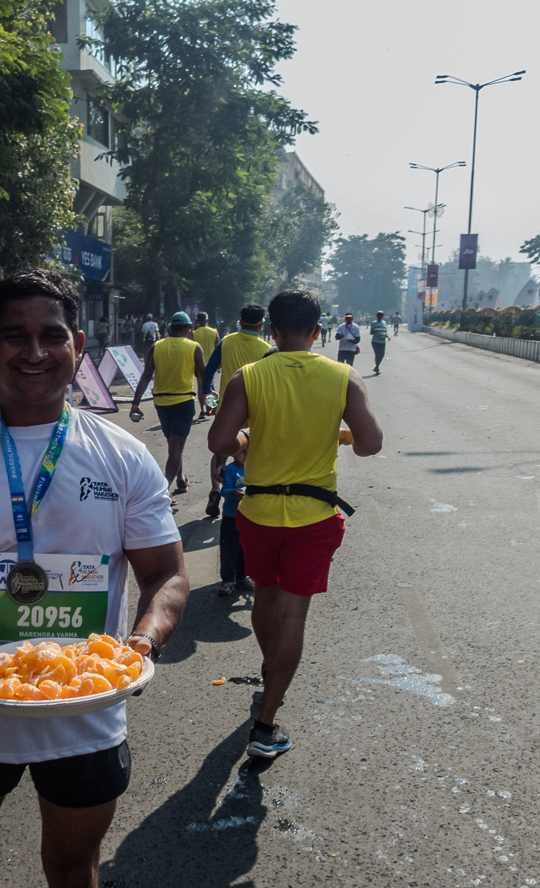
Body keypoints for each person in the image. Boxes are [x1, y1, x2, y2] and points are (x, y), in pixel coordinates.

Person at [0, 269, 189, 888]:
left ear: (78, 342)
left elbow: (167, 575)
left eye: (52, 335)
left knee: (74, 869)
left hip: (86, 712)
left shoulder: (121, 454)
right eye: (16, 336)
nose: (35, 352)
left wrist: (144, 642)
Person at [208, 290, 383, 759]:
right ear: (317, 332)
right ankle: (265, 725)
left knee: (265, 595)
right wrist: (338, 432)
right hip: (313, 517)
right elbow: (370, 445)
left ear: (271, 331)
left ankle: (272, 674)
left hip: (257, 514)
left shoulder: (249, 377)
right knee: (294, 613)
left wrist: (247, 442)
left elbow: (220, 440)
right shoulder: (344, 377)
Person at [200, 304, 271, 518]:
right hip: (253, 413)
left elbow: (208, 372)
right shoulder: (265, 348)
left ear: (240, 321)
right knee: (250, 454)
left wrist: (210, 398)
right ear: (261, 323)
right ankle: (247, 494)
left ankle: (216, 488)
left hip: (227, 409)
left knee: (219, 451)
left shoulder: (227, 341)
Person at [129, 311, 206, 505]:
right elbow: (203, 377)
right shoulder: (194, 347)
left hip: (161, 403)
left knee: (174, 446)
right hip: (183, 403)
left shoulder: (156, 347)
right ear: (189, 329)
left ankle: (180, 479)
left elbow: (146, 375)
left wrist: (135, 403)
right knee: (175, 448)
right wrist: (210, 400)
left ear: (170, 328)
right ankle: (163, 490)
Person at [217, 440, 252, 597]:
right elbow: (224, 490)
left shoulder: (254, 469)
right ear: (234, 452)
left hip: (248, 516)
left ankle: (242, 577)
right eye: (242, 451)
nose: (246, 455)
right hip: (231, 516)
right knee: (229, 548)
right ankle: (227, 580)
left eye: (248, 451)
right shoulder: (231, 469)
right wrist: (233, 492)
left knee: (245, 547)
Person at [192, 313, 219, 417]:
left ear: (197, 321)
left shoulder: (194, 333)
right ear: (207, 321)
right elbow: (218, 348)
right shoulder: (214, 332)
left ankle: (202, 410)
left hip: (198, 363)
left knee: (200, 386)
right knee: (210, 386)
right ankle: (212, 408)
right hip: (211, 363)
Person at [369, 311, 390, 375]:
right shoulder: (374, 323)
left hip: (382, 341)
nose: (380, 317)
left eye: (381, 315)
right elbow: (371, 332)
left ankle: (377, 366)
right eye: (379, 315)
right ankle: (377, 367)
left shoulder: (384, 323)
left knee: (382, 355)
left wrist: (387, 336)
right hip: (375, 341)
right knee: (377, 354)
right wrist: (376, 330)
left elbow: (385, 331)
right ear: (377, 316)